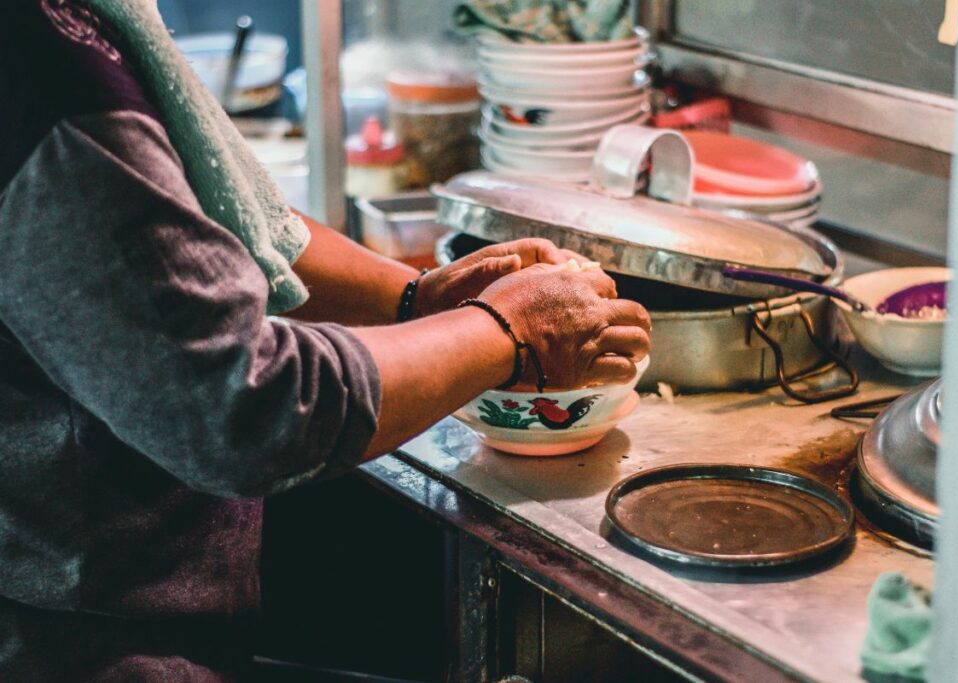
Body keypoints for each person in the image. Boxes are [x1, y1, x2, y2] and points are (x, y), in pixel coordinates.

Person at [0, 1, 651, 680]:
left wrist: (416, 299)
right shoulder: (35, 63)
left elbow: (221, 212)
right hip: (74, 643)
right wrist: (505, 331)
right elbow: (240, 401)